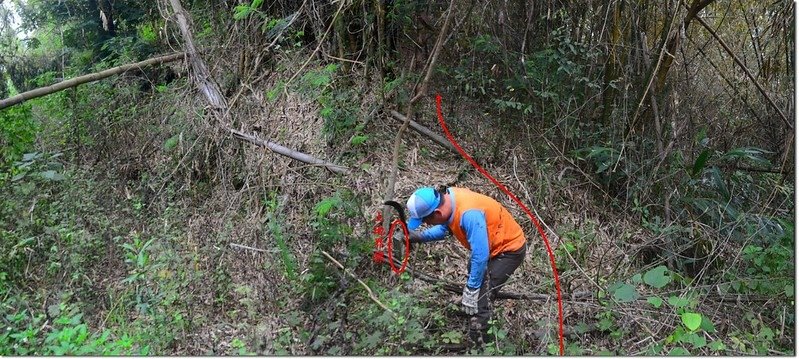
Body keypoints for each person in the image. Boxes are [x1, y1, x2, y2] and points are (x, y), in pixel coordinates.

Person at [404, 185, 527, 345]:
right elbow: (445, 228)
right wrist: (420, 236)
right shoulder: (450, 199)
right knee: (475, 273)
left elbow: (480, 255)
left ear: (437, 213)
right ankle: (479, 312)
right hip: (491, 246)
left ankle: (481, 345)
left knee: (480, 296)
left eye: (426, 221)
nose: (426, 224)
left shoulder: (469, 214)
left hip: (509, 250)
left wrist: (473, 288)